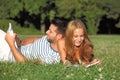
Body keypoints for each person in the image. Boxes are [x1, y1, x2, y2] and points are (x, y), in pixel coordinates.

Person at [1, 17, 68, 64]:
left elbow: (24, 64)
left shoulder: (51, 57)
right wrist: (20, 42)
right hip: (14, 47)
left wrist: (11, 44)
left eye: (50, 31)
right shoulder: (48, 39)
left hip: (8, 54)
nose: (46, 32)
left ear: (59, 37)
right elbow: (33, 41)